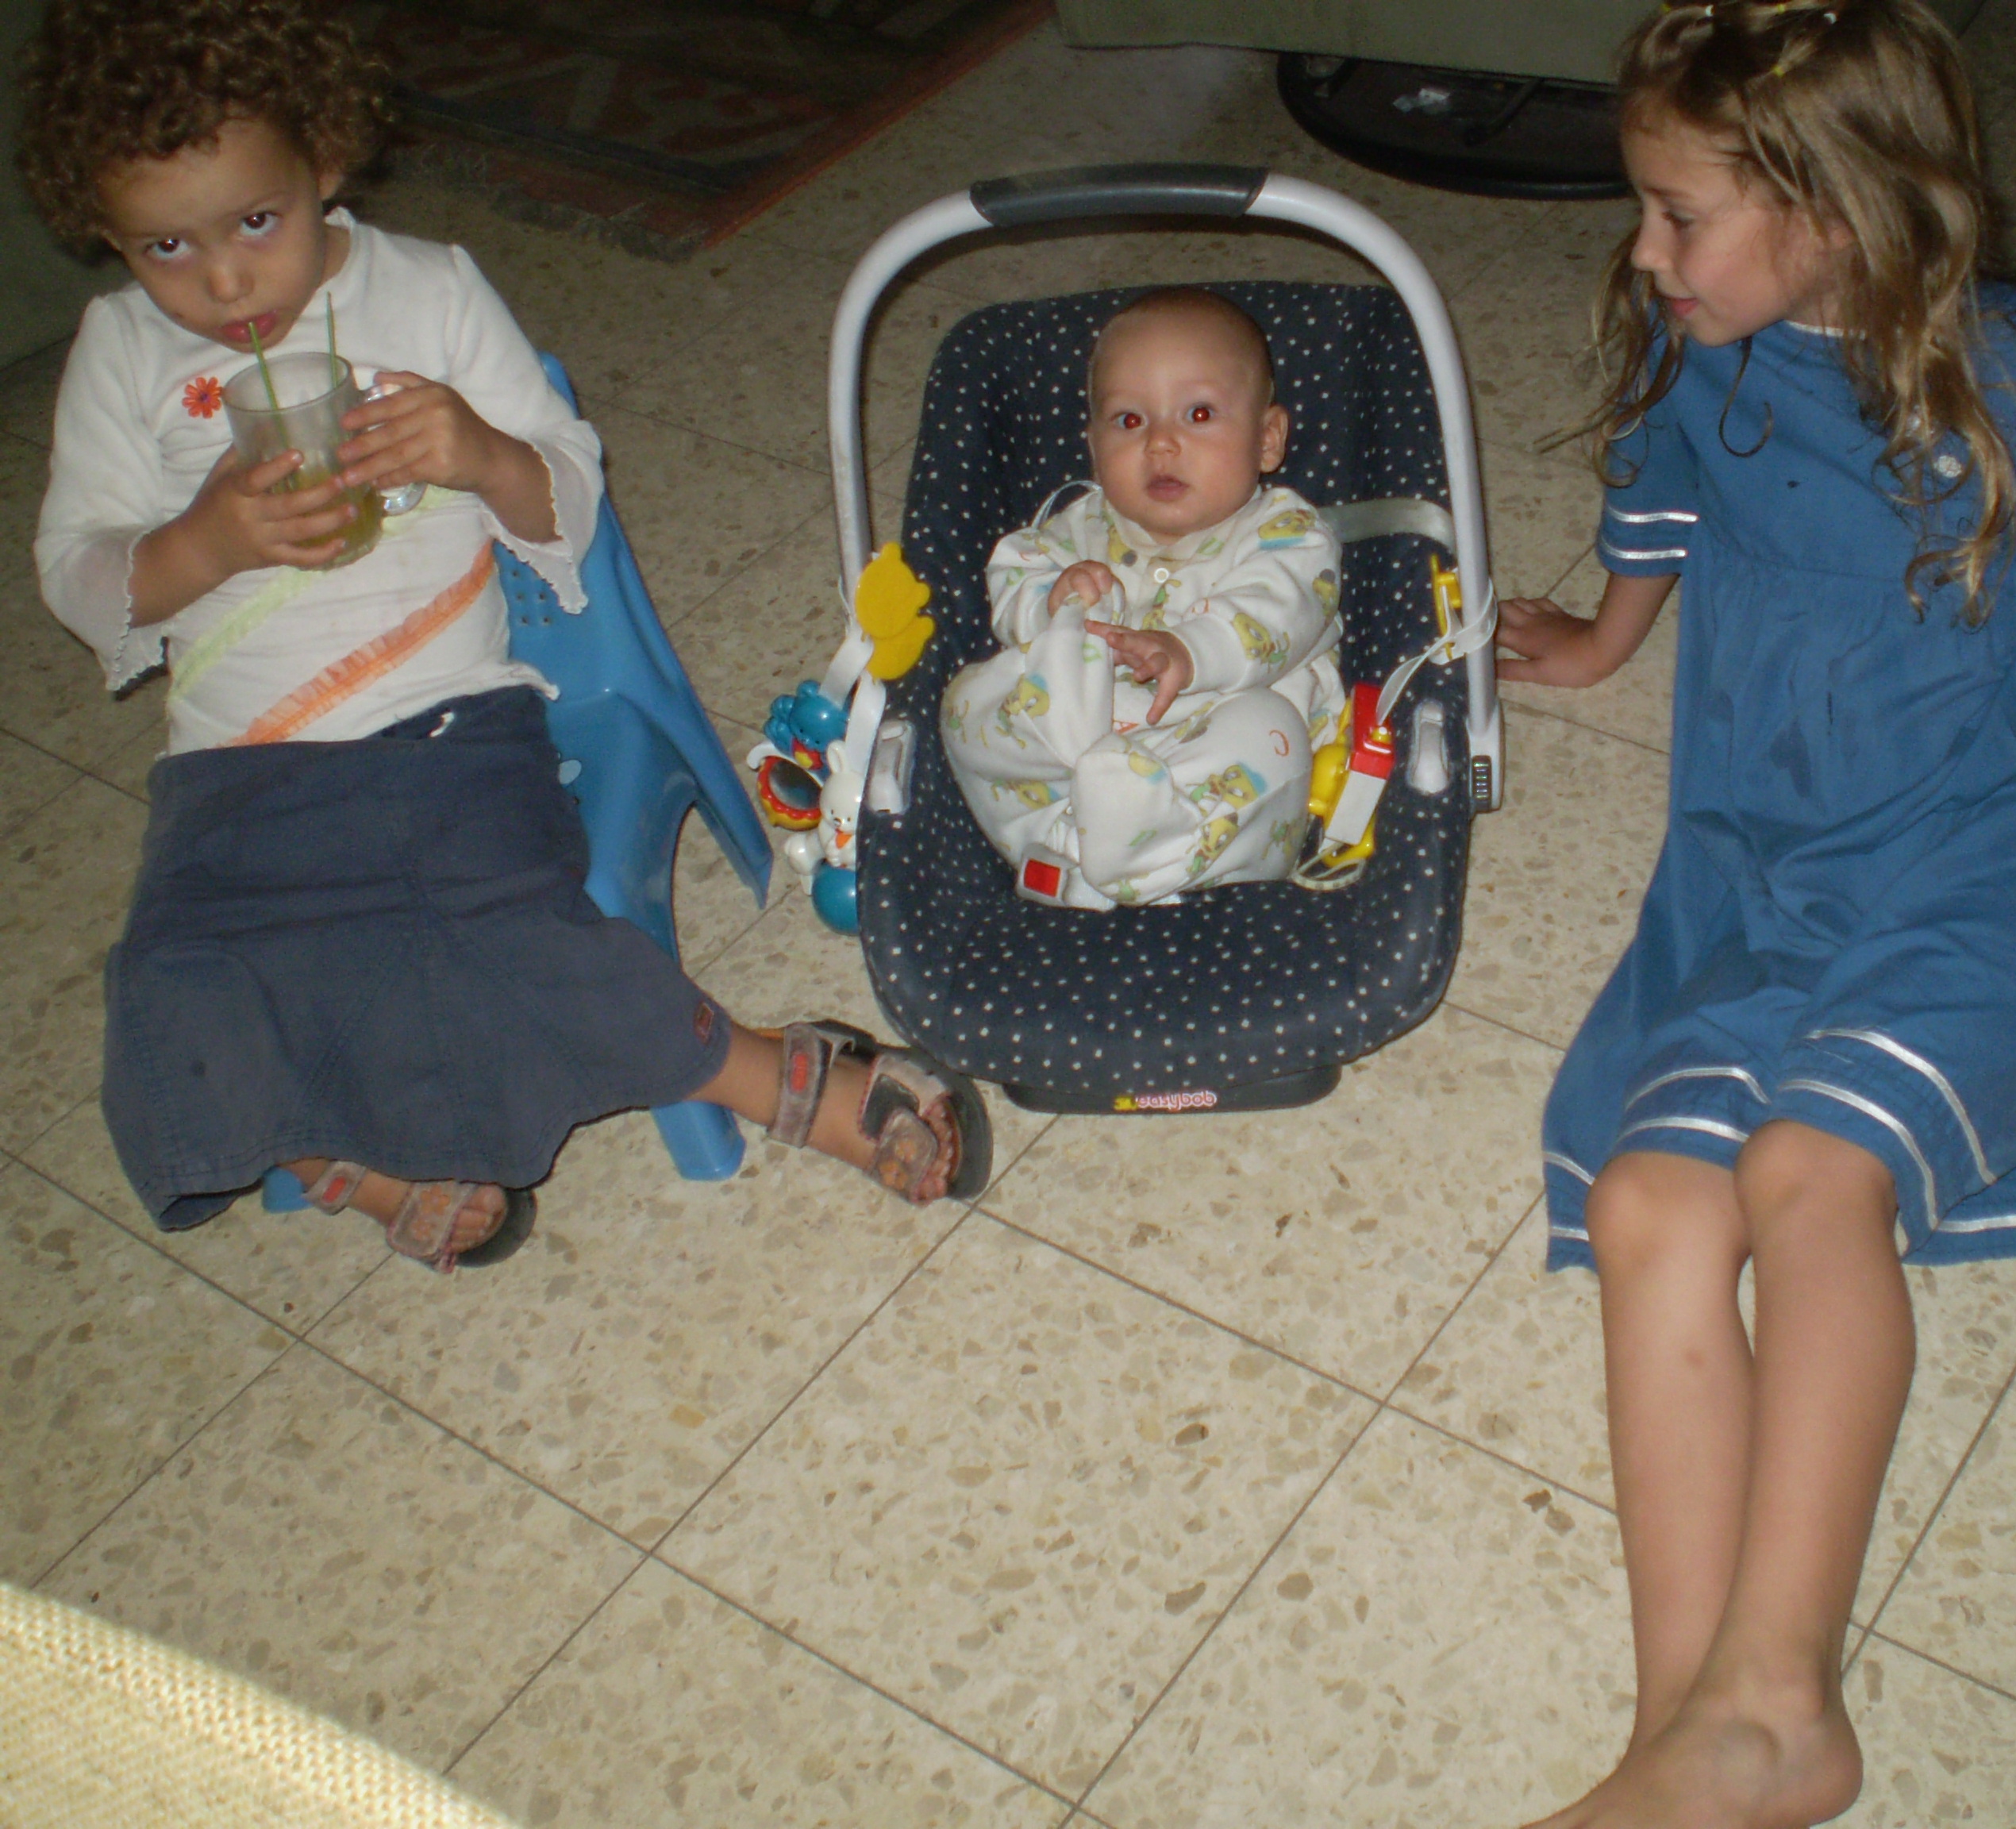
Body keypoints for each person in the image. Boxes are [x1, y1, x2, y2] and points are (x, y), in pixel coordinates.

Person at [1489, 2, 2016, 1823]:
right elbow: (1655, 506)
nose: (1643, 250)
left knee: (1815, 1174)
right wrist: (1598, 644)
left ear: (1835, 206)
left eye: (1678, 214)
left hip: (1977, 857)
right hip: (1761, 865)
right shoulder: (1699, 343)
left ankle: (1770, 1704)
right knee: (1650, 1200)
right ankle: (1691, 1735)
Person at [20, 0, 988, 1272]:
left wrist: (479, 454)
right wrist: (202, 542)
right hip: (233, 765)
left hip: (446, 728)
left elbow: (567, 497)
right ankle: (347, 1161)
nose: (224, 282)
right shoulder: (120, 351)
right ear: (108, 237)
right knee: (171, 987)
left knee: (510, 939)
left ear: (323, 158)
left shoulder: (427, 291)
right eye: (164, 247)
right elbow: (77, 573)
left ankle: (766, 1071)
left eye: (255, 221)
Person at [941, 287, 1343, 907]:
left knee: (1270, 734)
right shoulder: (1079, 525)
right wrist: (1052, 600)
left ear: (1267, 439)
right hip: (1071, 748)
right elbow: (1013, 570)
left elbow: (1279, 608)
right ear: (1094, 446)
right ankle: (1062, 841)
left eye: (1198, 414)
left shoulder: (1289, 533)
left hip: (1208, 749)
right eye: (1129, 421)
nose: (1160, 443)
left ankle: (1133, 856)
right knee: (966, 701)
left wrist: (1189, 650)